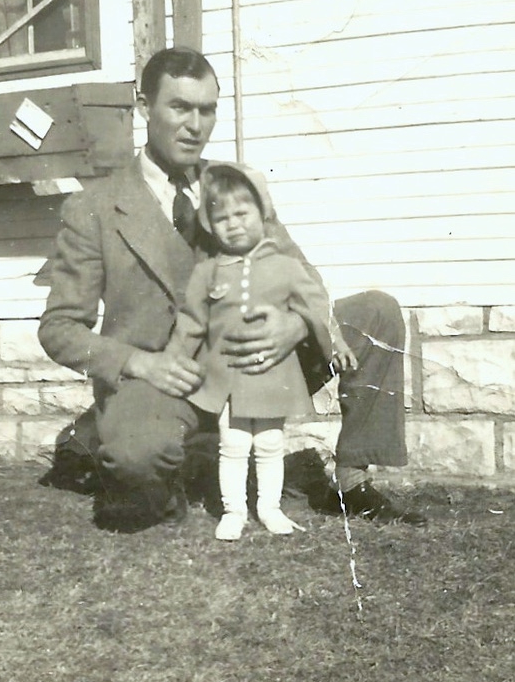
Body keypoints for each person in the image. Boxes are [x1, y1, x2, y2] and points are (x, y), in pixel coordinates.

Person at [38, 46, 426, 531]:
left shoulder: (236, 186)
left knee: (376, 313)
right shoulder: (95, 206)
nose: (194, 125)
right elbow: (59, 330)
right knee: (137, 468)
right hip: (165, 382)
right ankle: (115, 444)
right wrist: (139, 363)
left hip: (257, 363)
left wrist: (294, 324)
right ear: (144, 108)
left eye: (207, 110)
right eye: (179, 107)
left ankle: (349, 483)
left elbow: (302, 273)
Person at [168, 162, 337, 540]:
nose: (234, 223)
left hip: (271, 371)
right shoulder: (208, 272)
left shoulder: (286, 266)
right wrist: (174, 361)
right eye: (222, 217)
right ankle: (233, 510)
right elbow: (191, 322)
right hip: (227, 374)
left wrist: (334, 346)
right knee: (234, 441)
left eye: (242, 213)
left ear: (263, 214)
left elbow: (315, 306)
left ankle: (269, 508)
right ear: (210, 225)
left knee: (271, 441)